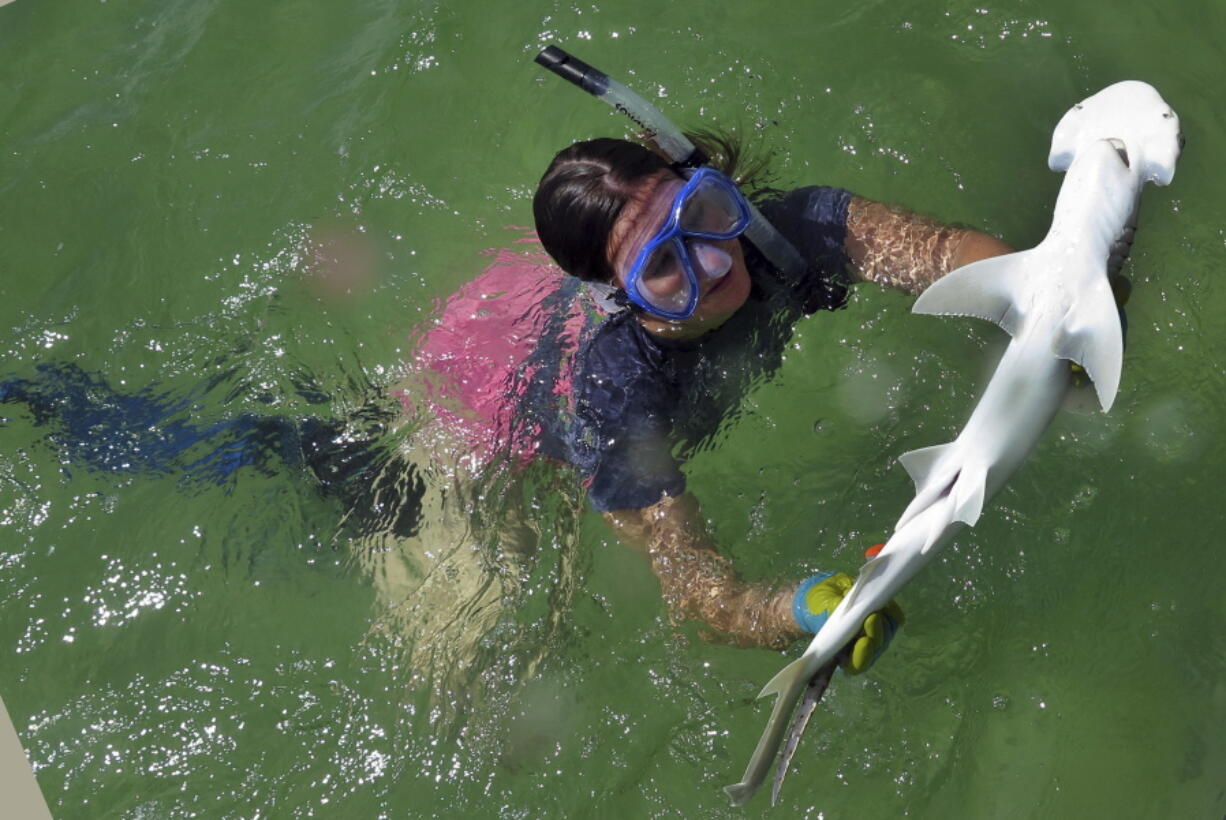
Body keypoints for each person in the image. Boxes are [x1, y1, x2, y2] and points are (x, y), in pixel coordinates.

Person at [524, 131, 1013, 666]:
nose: (713, 263)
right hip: (512, 418)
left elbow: (958, 258)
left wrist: (1039, 298)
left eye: (700, 213)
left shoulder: (787, 232)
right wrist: (797, 609)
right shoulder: (619, 389)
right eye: (663, 261)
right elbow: (702, 595)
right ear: (621, 296)